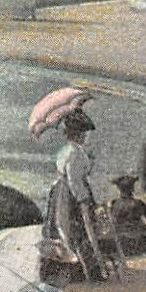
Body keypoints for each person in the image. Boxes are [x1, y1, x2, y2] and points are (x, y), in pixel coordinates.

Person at [44, 108, 102, 280]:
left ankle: (71, 270)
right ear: (76, 134)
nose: (85, 136)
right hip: (69, 196)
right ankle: (79, 271)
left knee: (64, 230)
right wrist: (83, 200)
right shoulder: (75, 153)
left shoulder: (68, 151)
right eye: (82, 133)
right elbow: (74, 180)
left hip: (62, 192)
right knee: (75, 231)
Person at [105, 175, 146, 261]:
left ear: (119, 190)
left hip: (121, 243)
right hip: (139, 241)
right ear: (132, 189)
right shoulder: (138, 203)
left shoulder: (114, 204)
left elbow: (112, 222)